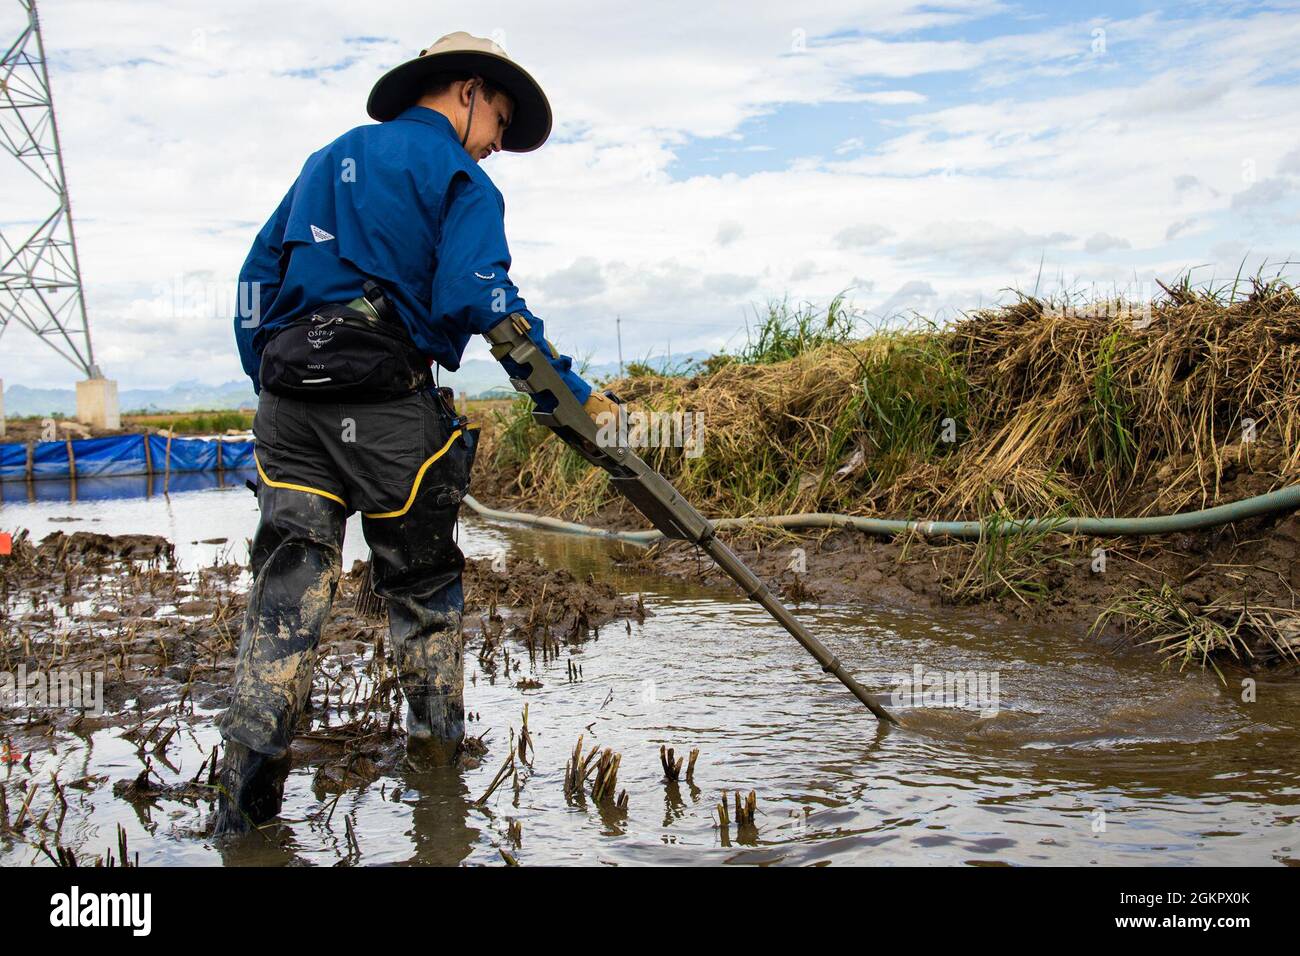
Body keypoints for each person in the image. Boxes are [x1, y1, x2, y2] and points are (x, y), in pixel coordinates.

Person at [215, 31, 618, 835]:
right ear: (466, 91)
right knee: (425, 595)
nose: (499, 143)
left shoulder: (328, 160)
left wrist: (271, 373)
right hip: (395, 416)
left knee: (285, 595)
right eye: (499, 119)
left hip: (289, 411)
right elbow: (483, 298)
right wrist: (575, 400)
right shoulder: (460, 176)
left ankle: (242, 820)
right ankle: (440, 797)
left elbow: (255, 281)